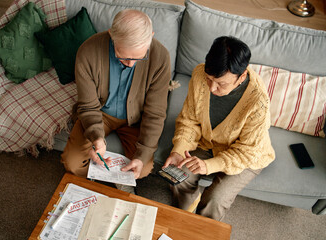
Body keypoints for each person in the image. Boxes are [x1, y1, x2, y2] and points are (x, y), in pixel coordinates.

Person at [163, 36, 275, 221]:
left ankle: (204, 231)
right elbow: (189, 120)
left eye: (221, 84)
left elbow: (247, 151)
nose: (212, 88)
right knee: (178, 175)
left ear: (242, 76)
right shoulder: (199, 74)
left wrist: (208, 166)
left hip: (245, 155)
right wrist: (179, 150)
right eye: (209, 79)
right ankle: (184, 219)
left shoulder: (258, 102)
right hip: (206, 143)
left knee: (215, 199)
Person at [61, 9, 171, 193]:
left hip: (137, 119)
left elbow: (155, 114)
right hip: (99, 114)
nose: (131, 64)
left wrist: (142, 156)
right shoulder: (88, 51)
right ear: (112, 35)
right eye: (124, 56)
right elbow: (87, 106)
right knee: (72, 163)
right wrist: (97, 138)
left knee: (143, 169)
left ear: (151, 37)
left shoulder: (160, 57)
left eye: (139, 57)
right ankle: (93, 187)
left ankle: (111, 182)